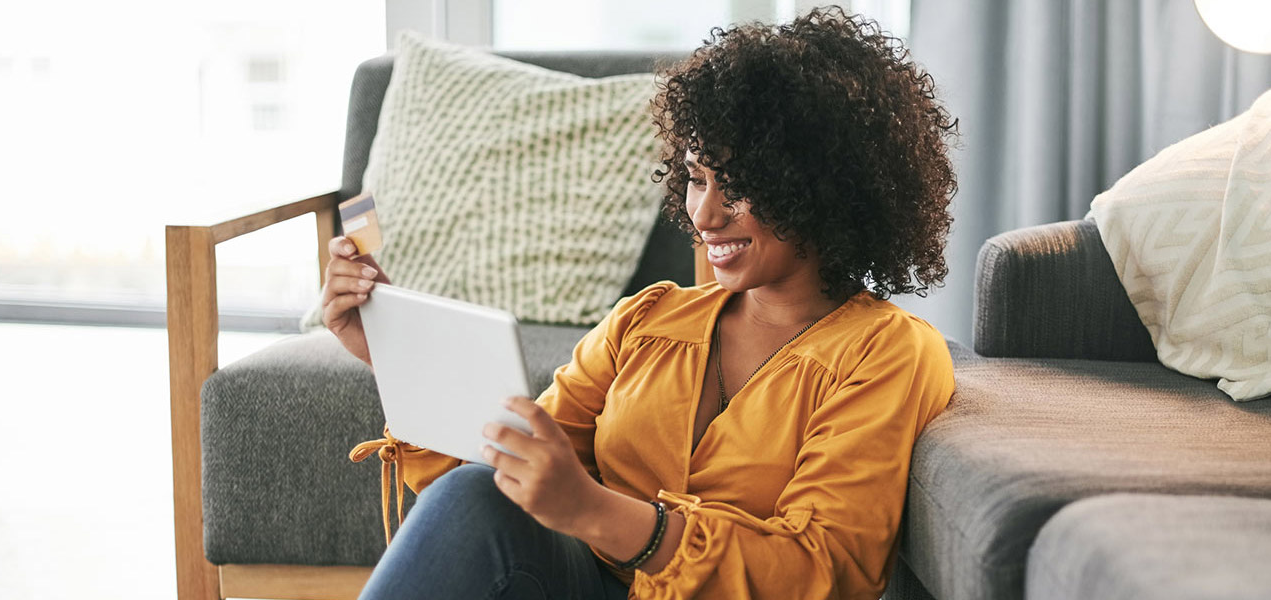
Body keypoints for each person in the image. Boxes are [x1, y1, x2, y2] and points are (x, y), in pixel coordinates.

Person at [326, 6, 958, 599]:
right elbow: (507, 474)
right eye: (697, 179)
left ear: (819, 189)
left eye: (735, 187)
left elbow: (826, 568)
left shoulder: (886, 352)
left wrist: (599, 512)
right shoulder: (648, 319)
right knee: (475, 493)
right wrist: (387, 348)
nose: (705, 214)